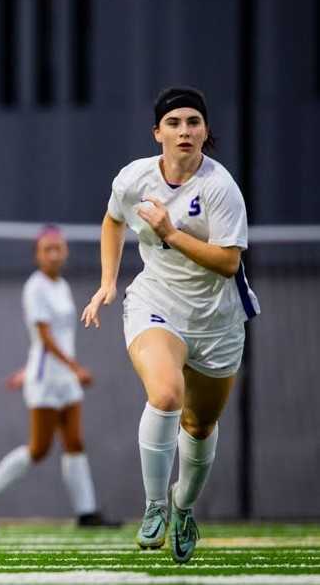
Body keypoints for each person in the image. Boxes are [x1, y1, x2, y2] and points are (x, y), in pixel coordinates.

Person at [81, 87, 260, 564]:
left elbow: (226, 263)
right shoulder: (135, 178)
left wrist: (169, 233)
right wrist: (108, 282)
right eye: (175, 123)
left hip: (218, 319)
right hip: (155, 302)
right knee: (164, 395)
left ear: (205, 131)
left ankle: (183, 507)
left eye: (194, 122)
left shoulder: (220, 188)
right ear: (157, 132)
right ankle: (155, 505)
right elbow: (112, 220)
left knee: (199, 426)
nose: (185, 131)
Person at [0, 226, 117, 528]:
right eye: (47, 249)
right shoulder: (36, 287)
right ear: (37, 255)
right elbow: (44, 339)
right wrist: (75, 368)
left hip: (64, 379)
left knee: (75, 442)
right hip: (47, 381)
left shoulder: (62, 286)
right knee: (39, 449)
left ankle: (86, 513)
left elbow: (54, 338)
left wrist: (48, 370)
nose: (54, 254)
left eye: (58, 248)